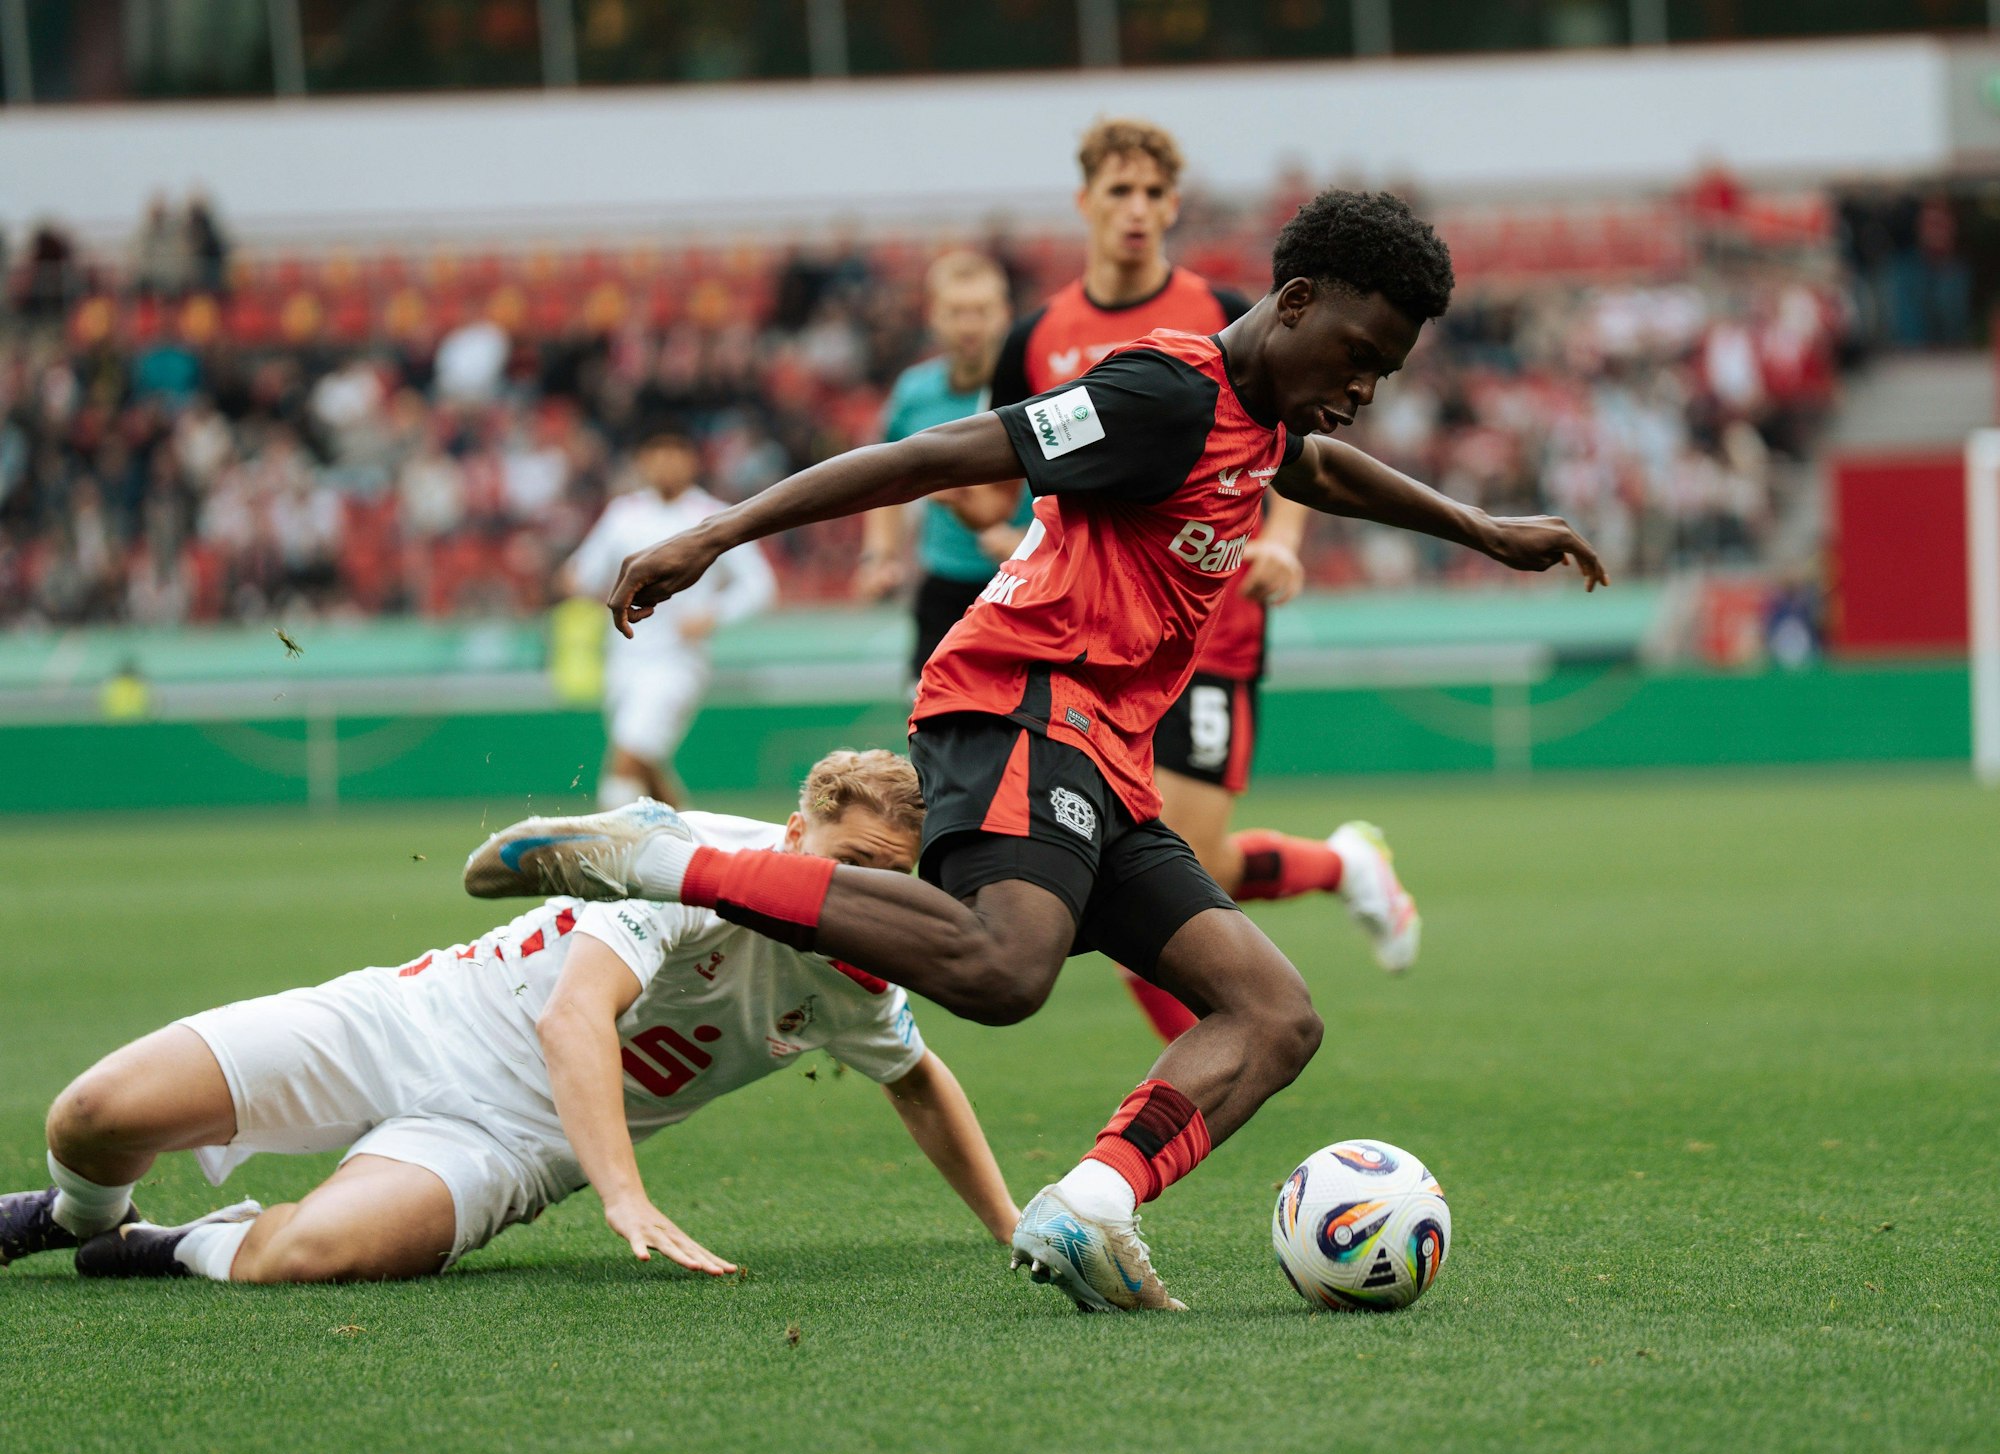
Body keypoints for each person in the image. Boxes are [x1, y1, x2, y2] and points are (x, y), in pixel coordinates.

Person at [469, 189, 1606, 1313]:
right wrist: (716, 533)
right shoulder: (1161, 393)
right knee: (1006, 971)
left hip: (1105, 751)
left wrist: (1482, 530)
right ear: (1295, 302)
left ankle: (1092, 1205)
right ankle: (666, 857)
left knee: (1274, 1014)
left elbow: (1307, 467)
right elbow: (944, 453)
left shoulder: (1264, 423)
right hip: (1016, 693)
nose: (1361, 390)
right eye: (1356, 355)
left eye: (1384, 373)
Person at [0, 752, 1017, 1283]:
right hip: (410, 1017)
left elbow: (916, 1078)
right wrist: (625, 1195)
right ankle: (77, 1216)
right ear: (794, 833)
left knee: (310, 1258)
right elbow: (573, 1019)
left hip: (514, 1144)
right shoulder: (690, 857)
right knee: (90, 1115)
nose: (867, 902)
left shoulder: (860, 970)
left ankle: (178, 1244)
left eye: (895, 885)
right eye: (850, 871)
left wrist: (1013, 1229)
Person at [989, 119, 1417, 1046]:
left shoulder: (1232, 314)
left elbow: (1297, 454)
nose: (1137, 210)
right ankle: (1338, 870)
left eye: (1153, 194)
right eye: (1119, 193)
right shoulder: (1036, 338)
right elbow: (999, 470)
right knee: (1168, 861)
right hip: (1091, 635)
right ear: (1087, 204)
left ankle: (1203, 1063)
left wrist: (1288, 544)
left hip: (1210, 627)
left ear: (1173, 205)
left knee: (1157, 861)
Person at [562, 421, 776, 808]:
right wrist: (574, 580)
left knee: (627, 760)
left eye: (674, 454)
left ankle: (612, 850)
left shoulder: (712, 516)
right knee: (646, 762)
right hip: (623, 656)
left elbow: (759, 584)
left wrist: (713, 613)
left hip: (677, 659)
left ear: (691, 461)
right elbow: (583, 574)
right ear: (642, 462)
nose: (665, 464)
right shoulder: (623, 514)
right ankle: (695, 844)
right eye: (656, 455)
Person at [856, 250, 1032, 686]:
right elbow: (885, 481)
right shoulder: (914, 393)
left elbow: (1083, 486)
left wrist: (1026, 540)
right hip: (943, 588)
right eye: (956, 312)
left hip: (1029, 585)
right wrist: (880, 555)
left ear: (1005, 314)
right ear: (933, 316)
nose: (970, 325)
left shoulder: (1041, 385)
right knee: (927, 731)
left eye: (982, 311)